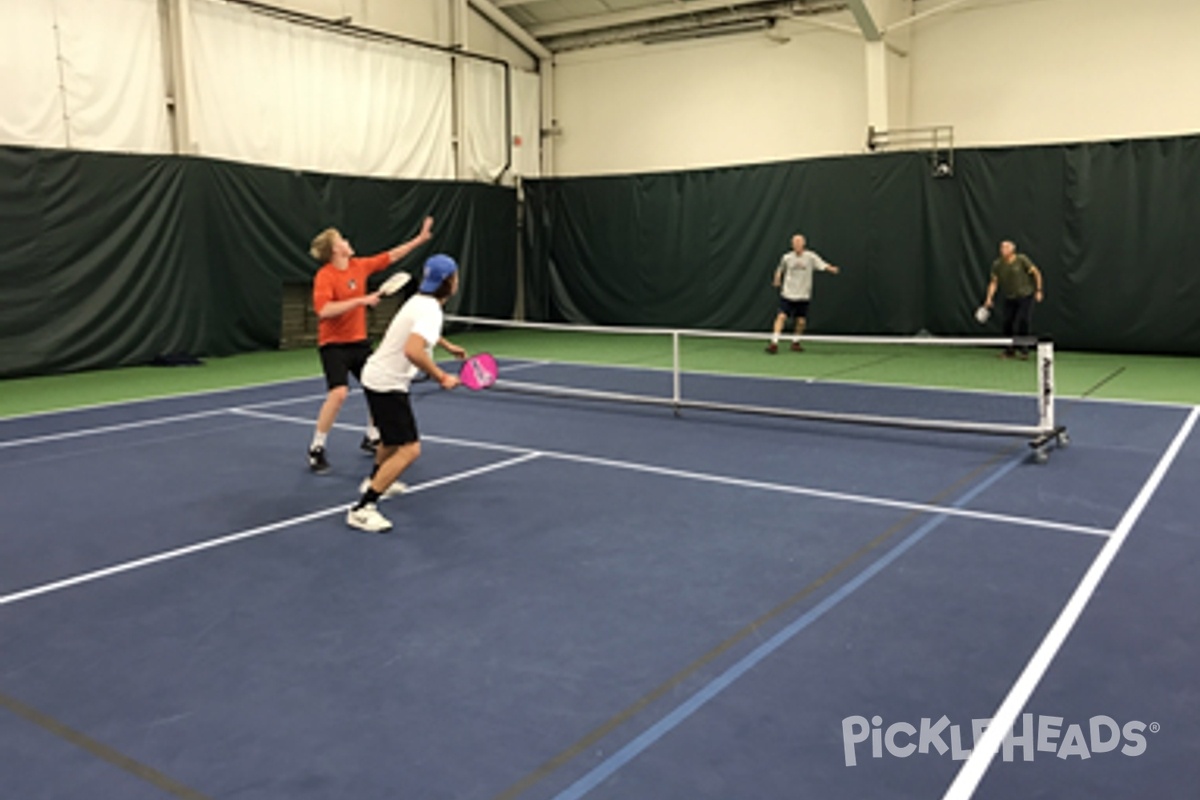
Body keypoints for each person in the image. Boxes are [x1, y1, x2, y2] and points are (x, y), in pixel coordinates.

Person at [347, 254, 467, 533]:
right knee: (410, 449)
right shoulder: (431, 310)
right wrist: (442, 376)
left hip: (376, 376)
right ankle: (363, 507)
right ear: (449, 282)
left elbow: (420, 333)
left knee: (389, 442)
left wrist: (447, 346)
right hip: (387, 382)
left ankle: (375, 480)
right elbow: (412, 350)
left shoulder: (419, 301)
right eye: (456, 276)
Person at [307, 217, 434, 473]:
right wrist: (361, 301)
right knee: (339, 393)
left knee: (377, 386)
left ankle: (372, 436)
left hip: (360, 343)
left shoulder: (360, 266)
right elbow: (324, 311)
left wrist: (419, 240)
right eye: (342, 239)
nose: (347, 242)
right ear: (335, 250)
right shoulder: (325, 277)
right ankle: (316, 448)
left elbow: (391, 256)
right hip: (334, 345)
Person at [766, 234, 840, 353]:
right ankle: (774, 343)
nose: (797, 245)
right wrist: (777, 279)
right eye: (795, 243)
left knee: (801, 321)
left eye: (799, 243)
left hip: (803, 295)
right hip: (788, 294)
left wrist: (831, 269)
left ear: (803, 244)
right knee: (781, 317)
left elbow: (823, 264)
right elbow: (780, 270)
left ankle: (795, 342)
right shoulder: (786, 257)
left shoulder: (811, 257)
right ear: (792, 245)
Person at [982, 240, 1044, 359]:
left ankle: (1024, 350)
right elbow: (994, 283)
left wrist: (1039, 290)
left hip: (1026, 296)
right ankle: (1009, 350)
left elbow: (1036, 273)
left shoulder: (1022, 260)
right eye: (1001, 247)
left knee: (1023, 320)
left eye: (1005, 247)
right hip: (1010, 297)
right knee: (1007, 322)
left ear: (1012, 250)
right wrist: (989, 298)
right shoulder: (998, 264)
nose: (1002, 250)